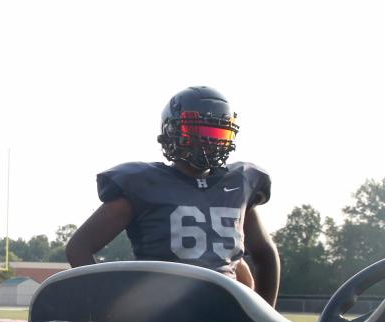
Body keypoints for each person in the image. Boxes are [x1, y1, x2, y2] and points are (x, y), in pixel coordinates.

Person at [65, 86, 280, 306]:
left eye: (217, 133)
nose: (208, 142)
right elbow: (79, 247)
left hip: (226, 313)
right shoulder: (143, 183)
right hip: (163, 317)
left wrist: (265, 316)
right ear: (172, 131)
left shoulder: (239, 184)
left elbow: (265, 254)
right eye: (198, 132)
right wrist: (107, 304)